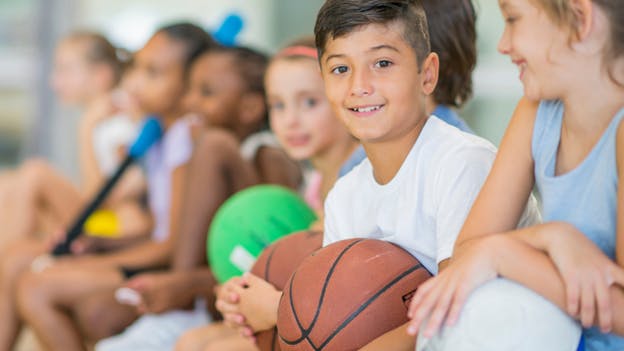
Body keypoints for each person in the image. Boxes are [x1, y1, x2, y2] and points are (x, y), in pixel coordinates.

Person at [406, 0, 624, 350]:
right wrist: (552, 236)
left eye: (513, 19)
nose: (503, 44)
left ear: (580, 19)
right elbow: (464, 256)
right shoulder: (536, 111)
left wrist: (501, 253)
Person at [0, 22, 217, 351]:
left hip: (156, 264)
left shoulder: (184, 141)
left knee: (35, 287)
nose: (134, 82)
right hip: (135, 248)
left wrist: (93, 261)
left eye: (152, 73)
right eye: (138, 69)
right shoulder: (162, 137)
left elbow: (169, 244)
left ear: (189, 87)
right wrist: (99, 245)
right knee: (16, 257)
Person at [92, 44, 302, 351]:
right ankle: (180, 303)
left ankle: (181, 305)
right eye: (190, 89)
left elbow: (277, 234)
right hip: (217, 286)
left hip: (252, 287)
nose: (189, 101)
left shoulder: (264, 151)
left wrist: (186, 284)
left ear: (249, 108)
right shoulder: (215, 148)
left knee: (214, 144)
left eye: (206, 92)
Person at [175, 37, 362, 351]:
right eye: (278, 105)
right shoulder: (315, 180)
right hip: (300, 310)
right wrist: (238, 293)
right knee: (190, 342)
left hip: (339, 321)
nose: (290, 120)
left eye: (309, 103)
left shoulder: (357, 178)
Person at [0, 31, 149, 248]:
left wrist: (86, 129)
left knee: (36, 173)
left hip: (114, 224)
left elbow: (103, 199)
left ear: (101, 75)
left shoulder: (116, 125)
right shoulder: (104, 118)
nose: (55, 82)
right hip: (104, 215)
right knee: (8, 183)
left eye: (65, 70)